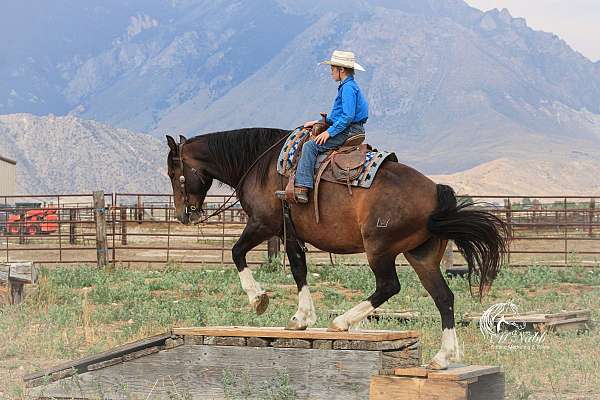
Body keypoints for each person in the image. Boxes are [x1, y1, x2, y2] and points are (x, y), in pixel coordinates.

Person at [279, 50, 369, 203]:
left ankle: (302, 188)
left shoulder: (347, 89)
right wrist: (317, 122)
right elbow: (338, 115)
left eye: (333, 69)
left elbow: (347, 117)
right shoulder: (349, 86)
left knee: (309, 147)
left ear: (341, 70)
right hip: (352, 128)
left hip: (349, 131)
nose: (331, 72)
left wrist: (329, 133)